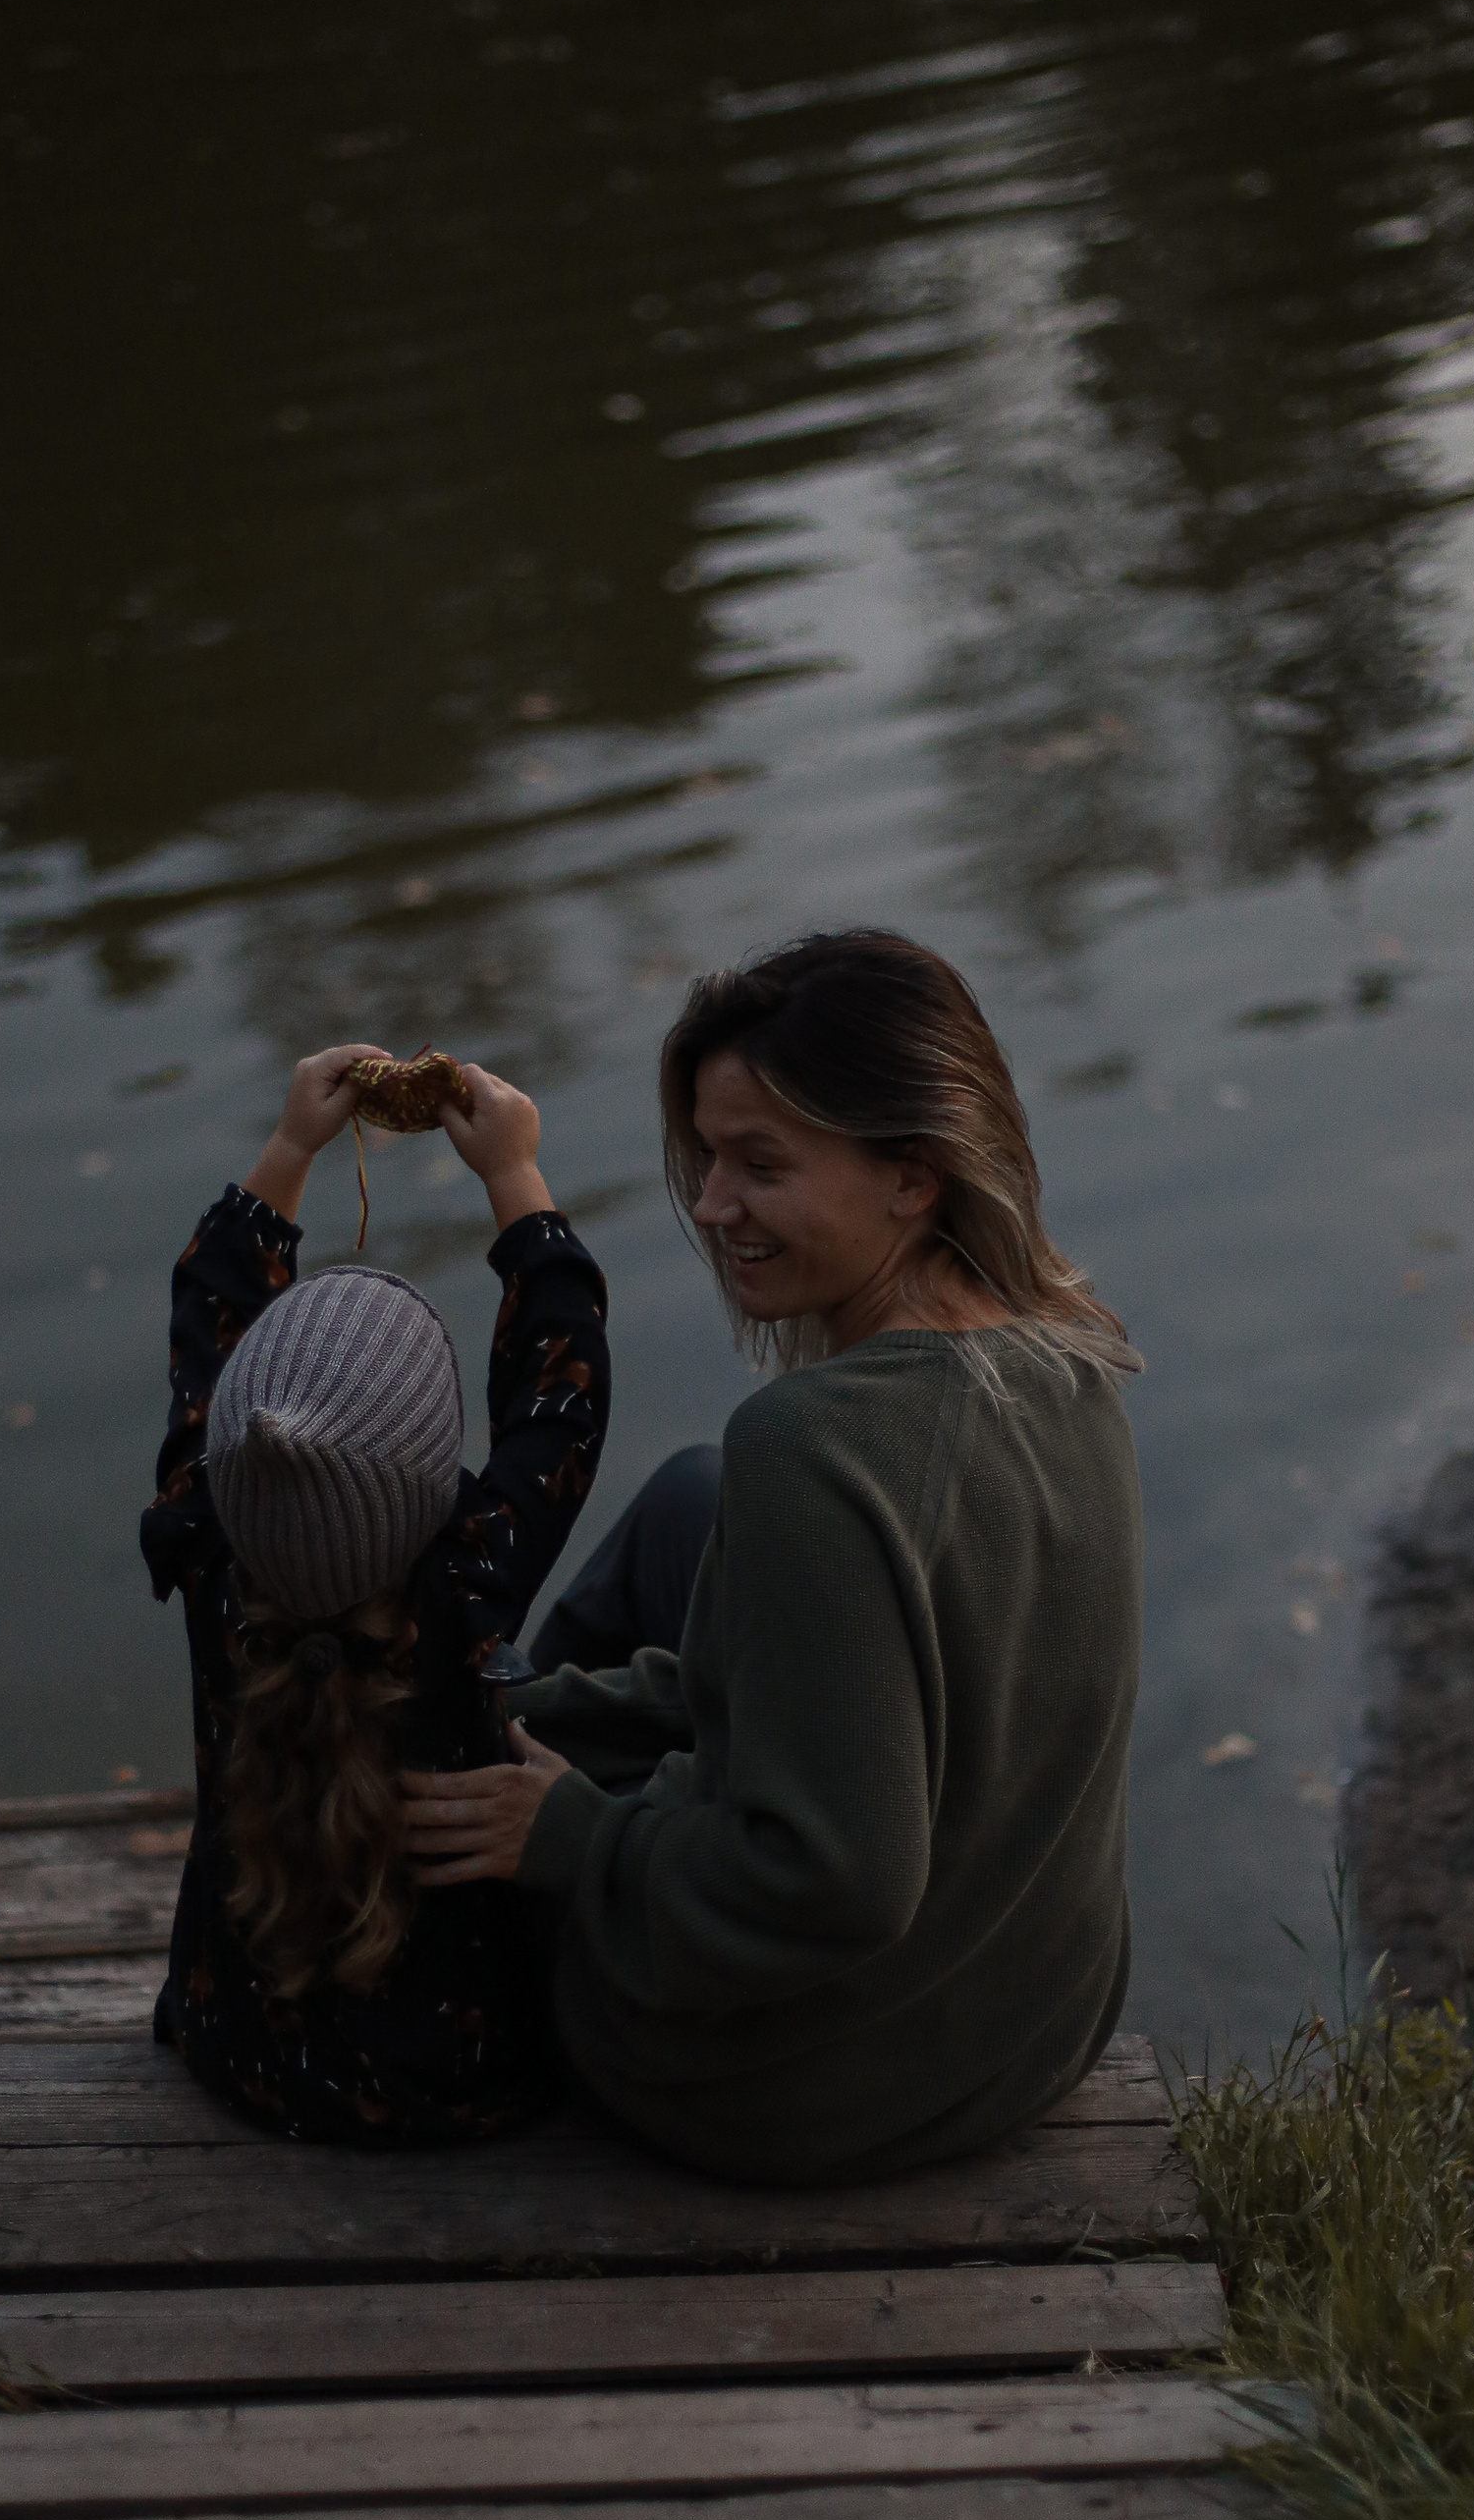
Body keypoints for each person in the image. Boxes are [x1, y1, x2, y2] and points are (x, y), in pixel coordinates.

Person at [400, 928, 1145, 2186]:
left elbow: (836, 1883)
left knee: (433, 1898)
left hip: (799, 2092)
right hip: (1032, 2026)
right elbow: (824, 1689)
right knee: (689, 1502)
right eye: (705, 1158)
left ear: (912, 1177)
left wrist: (576, 1839)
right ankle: (503, 1730)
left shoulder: (809, 1446)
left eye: (760, 1164)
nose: (708, 1206)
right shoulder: (1072, 1359)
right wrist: (529, 1719)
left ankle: (494, 1772)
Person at [139, 1044, 608, 2141]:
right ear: (434, 1478)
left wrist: (289, 1149)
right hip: (456, 2083)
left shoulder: (207, 1547)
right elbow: (563, 1388)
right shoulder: (462, 1584)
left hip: (239, 2057)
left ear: (224, 1460)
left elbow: (202, 1330)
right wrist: (515, 1175)